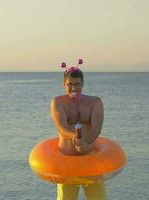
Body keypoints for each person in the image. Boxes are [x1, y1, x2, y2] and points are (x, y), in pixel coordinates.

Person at [50, 60, 106, 200]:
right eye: (70, 84)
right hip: (66, 160)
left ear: (83, 83)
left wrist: (86, 142)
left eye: (77, 84)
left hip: (90, 160)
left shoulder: (95, 102)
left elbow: (97, 127)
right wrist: (75, 138)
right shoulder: (58, 102)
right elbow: (61, 127)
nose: (74, 88)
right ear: (64, 84)